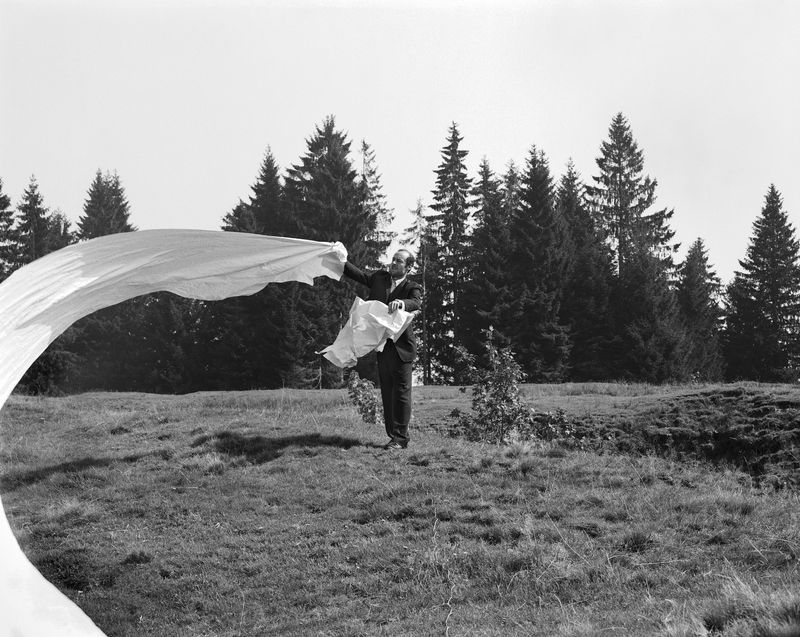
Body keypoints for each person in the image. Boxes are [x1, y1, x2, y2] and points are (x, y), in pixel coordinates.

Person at [343, 249, 422, 450]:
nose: (393, 263)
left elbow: (415, 302)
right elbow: (358, 274)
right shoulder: (379, 278)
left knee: (402, 393)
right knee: (388, 393)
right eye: (393, 259)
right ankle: (393, 436)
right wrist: (338, 258)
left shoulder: (412, 287)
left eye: (399, 261)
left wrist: (402, 303)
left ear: (408, 267)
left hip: (402, 348)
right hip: (382, 347)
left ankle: (400, 439)